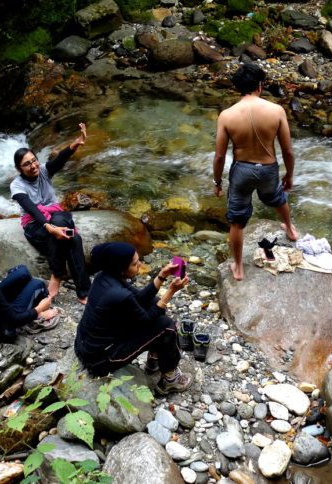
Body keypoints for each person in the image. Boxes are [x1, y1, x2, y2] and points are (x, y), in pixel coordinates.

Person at [212, 62, 300, 281]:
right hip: (268, 168)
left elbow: (220, 156)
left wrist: (217, 182)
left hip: (242, 170)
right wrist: (289, 174)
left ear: (239, 87)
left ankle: (239, 268)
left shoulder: (227, 115)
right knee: (277, 197)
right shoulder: (276, 111)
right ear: (260, 85)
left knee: (237, 220)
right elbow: (288, 150)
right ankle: (290, 230)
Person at [74, 242, 193, 395]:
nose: (140, 265)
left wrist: (162, 275)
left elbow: (140, 298)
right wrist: (170, 291)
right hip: (101, 359)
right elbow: (146, 320)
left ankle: (154, 359)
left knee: (154, 302)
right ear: (121, 268)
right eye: (135, 263)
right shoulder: (119, 295)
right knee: (167, 326)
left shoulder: (104, 276)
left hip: (86, 344)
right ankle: (170, 380)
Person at [11, 123, 91, 304]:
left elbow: (59, 160)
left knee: (61, 226)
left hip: (57, 217)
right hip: (34, 223)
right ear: (19, 169)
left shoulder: (44, 171)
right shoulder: (16, 185)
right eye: (27, 164)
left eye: (34, 160)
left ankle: (65, 280)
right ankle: (75, 287)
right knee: (73, 238)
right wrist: (49, 227)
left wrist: (76, 143)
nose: (33, 166)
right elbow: (29, 207)